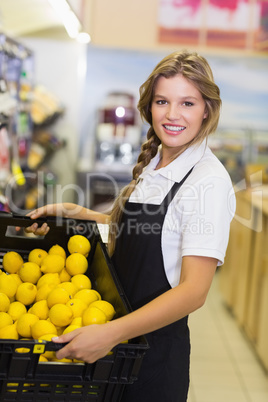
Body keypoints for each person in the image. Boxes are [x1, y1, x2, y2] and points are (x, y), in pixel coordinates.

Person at [26, 50, 236, 402]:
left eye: (187, 103)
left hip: (151, 361)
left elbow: (194, 292)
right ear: (148, 106)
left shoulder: (208, 181)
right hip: (114, 348)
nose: (172, 115)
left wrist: (111, 333)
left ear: (207, 110)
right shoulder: (157, 161)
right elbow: (137, 232)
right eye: (162, 101)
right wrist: (78, 214)